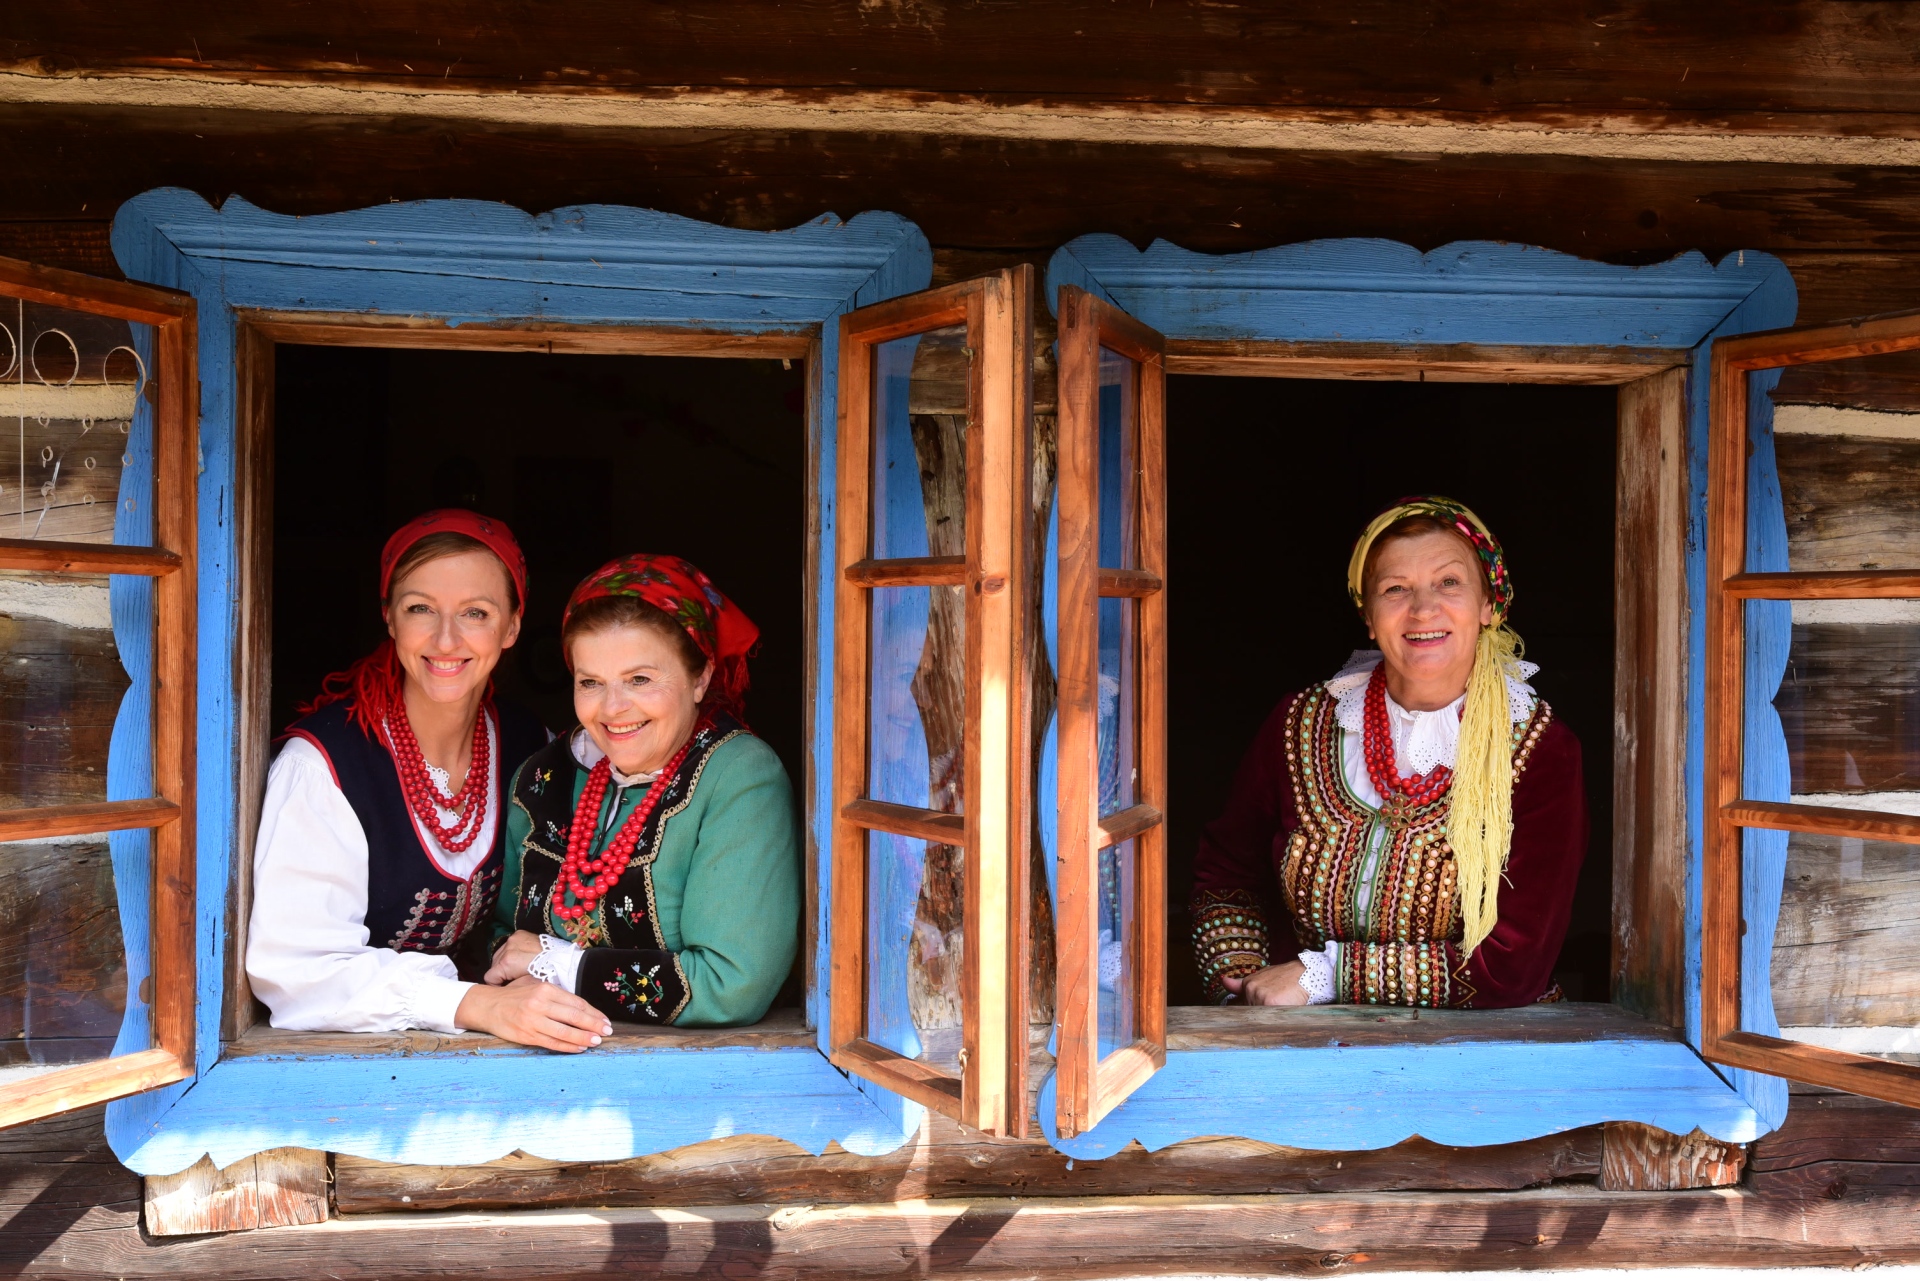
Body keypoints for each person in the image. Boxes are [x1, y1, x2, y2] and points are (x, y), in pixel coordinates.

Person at [1190, 496, 1587, 1009]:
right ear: (1369, 616)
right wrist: (1243, 989)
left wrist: (1323, 976)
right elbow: (1227, 875)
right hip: (1298, 1038)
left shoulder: (1541, 750)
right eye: (1395, 589)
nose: (1423, 609)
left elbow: (1516, 964)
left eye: (1449, 582)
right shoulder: (1302, 723)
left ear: (1489, 605)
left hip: (1484, 1043)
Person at [248, 509, 612, 1053]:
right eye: (420, 608)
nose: (445, 639)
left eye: (475, 613)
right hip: (347, 1064)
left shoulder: (530, 746)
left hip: (504, 1051)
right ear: (389, 618)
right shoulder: (324, 765)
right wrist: (477, 1005)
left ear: (512, 626)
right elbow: (297, 969)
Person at [485, 554, 800, 1028]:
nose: (613, 708)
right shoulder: (542, 776)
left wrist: (559, 967)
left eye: (640, 679)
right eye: (591, 682)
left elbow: (732, 984)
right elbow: (502, 940)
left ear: (701, 676)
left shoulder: (738, 776)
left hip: (687, 1068)